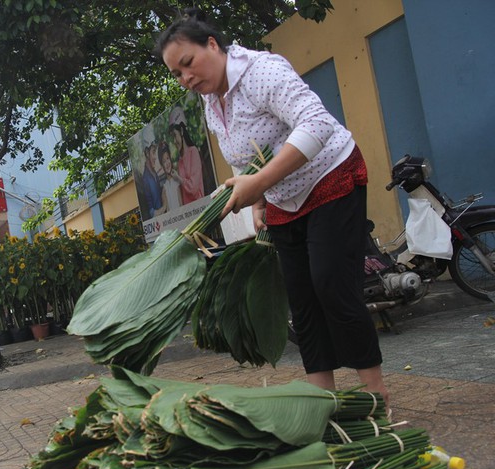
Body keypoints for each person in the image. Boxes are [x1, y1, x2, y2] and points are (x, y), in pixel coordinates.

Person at [156, 8, 389, 407]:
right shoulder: (212, 103)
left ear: (212, 44)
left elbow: (317, 124)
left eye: (188, 63)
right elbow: (245, 158)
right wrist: (260, 200)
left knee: (331, 284)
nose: (186, 78)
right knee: (301, 300)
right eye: (177, 74)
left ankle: (375, 392)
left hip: (330, 177)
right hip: (283, 199)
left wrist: (259, 184)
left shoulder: (262, 71)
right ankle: (322, 400)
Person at [168, 105, 205, 204]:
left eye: (175, 136)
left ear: (181, 131)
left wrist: (178, 178)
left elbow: (193, 188)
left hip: (200, 207)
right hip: (188, 213)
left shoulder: (194, 152)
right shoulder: (179, 161)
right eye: (172, 138)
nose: (174, 141)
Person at [157, 140, 183, 212]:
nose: (167, 163)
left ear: (170, 159)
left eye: (167, 158)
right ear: (162, 165)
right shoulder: (165, 188)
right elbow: (167, 210)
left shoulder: (178, 180)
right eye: (164, 161)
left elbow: (181, 205)